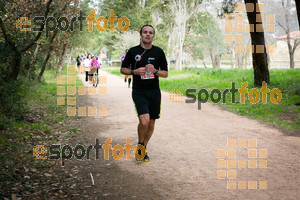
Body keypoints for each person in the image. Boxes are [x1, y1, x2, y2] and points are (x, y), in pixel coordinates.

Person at [120, 25, 168, 162]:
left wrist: (155, 71)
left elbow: (165, 74)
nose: (147, 34)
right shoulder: (133, 51)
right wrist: (133, 72)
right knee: (144, 120)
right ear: (141, 34)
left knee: (151, 123)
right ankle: (140, 145)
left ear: (153, 36)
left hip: (154, 92)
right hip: (139, 91)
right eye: (145, 32)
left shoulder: (159, 52)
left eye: (150, 33)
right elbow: (122, 69)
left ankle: (143, 147)